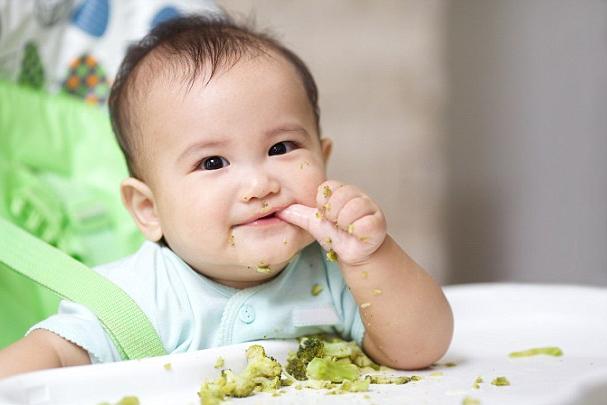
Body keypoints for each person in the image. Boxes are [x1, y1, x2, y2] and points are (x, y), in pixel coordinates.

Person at [0, 14, 453, 379]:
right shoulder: (134, 298)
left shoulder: (337, 273)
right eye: (213, 163)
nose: (260, 185)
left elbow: (420, 348)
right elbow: (50, 357)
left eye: (281, 148)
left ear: (324, 159)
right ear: (148, 209)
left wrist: (373, 257)